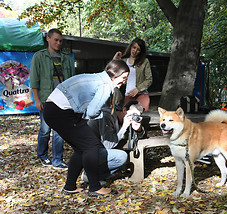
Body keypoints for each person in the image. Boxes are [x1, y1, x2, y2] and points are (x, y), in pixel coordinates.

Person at [43, 59, 130, 196]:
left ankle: (70, 186)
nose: (124, 82)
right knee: (91, 146)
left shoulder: (99, 77)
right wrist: (106, 112)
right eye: (124, 78)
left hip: (53, 110)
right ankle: (95, 187)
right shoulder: (106, 85)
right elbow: (92, 112)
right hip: (60, 112)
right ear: (116, 74)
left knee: (81, 148)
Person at [30, 28, 75, 170]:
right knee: (44, 130)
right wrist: (36, 99)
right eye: (56, 39)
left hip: (62, 100)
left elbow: (72, 81)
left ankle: (57, 160)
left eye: (60, 41)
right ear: (48, 39)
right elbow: (34, 80)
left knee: (59, 131)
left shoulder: (67, 58)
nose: (58, 43)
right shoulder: (39, 56)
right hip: (45, 99)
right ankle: (42, 155)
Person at [83, 100, 145, 184]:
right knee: (121, 156)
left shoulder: (123, 118)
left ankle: (94, 177)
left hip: (99, 149)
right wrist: (124, 127)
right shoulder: (107, 116)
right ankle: (89, 175)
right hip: (88, 150)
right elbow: (108, 144)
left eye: (137, 116)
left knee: (123, 158)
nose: (134, 117)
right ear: (124, 110)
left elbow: (140, 137)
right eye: (132, 114)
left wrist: (139, 129)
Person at [113, 37, 153, 111]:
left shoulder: (144, 61)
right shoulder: (124, 61)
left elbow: (149, 79)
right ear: (131, 47)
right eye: (134, 47)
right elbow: (112, 71)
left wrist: (138, 89)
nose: (135, 51)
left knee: (140, 117)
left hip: (142, 95)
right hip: (128, 95)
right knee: (127, 117)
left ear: (141, 52)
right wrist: (115, 58)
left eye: (138, 50)